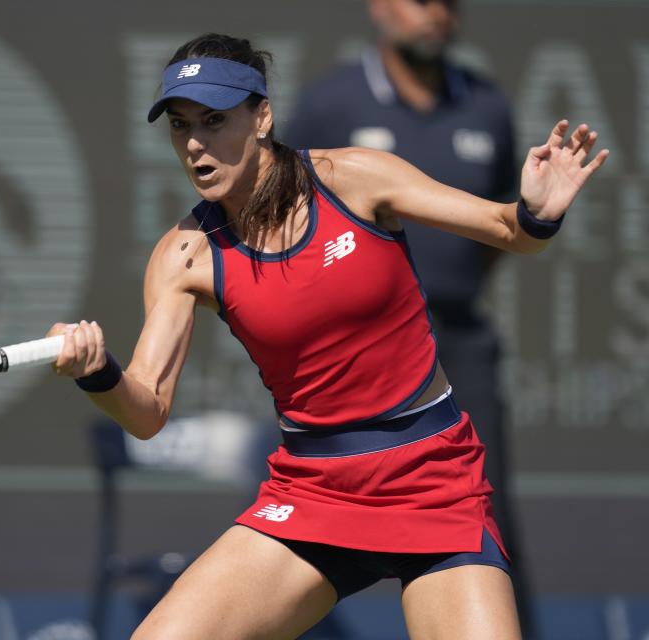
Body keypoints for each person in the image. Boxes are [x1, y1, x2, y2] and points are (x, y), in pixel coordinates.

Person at [49, 33, 607, 640]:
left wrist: (536, 211)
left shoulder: (355, 179)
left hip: (432, 481)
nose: (194, 144)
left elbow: (507, 229)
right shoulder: (184, 255)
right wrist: (97, 372)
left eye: (214, 121)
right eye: (180, 125)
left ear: (261, 116)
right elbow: (147, 410)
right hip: (313, 492)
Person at [281, 0, 533, 634]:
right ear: (378, 6)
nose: (436, 14)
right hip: (351, 350)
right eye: (420, 1)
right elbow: (283, 220)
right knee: (316, 505)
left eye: (449, 3)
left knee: (483, 507)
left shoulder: (488, 106)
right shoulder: (329, 103)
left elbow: (499, 225)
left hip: (456, 343)